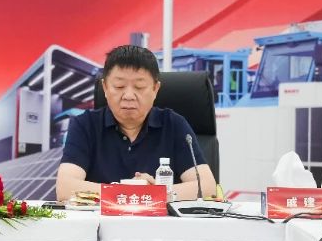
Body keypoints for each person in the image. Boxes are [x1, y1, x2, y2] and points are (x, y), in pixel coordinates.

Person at [56, 45, 217, 202]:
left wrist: (155, 193)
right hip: (100, 220)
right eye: (119, 86)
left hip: (159, 220)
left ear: (155, 89)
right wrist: (129, 192)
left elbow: (208, 187)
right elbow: (65, 188)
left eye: (139, 87)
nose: (128, 96)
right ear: (104, 87)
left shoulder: (174, 124)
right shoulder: (85, 125)